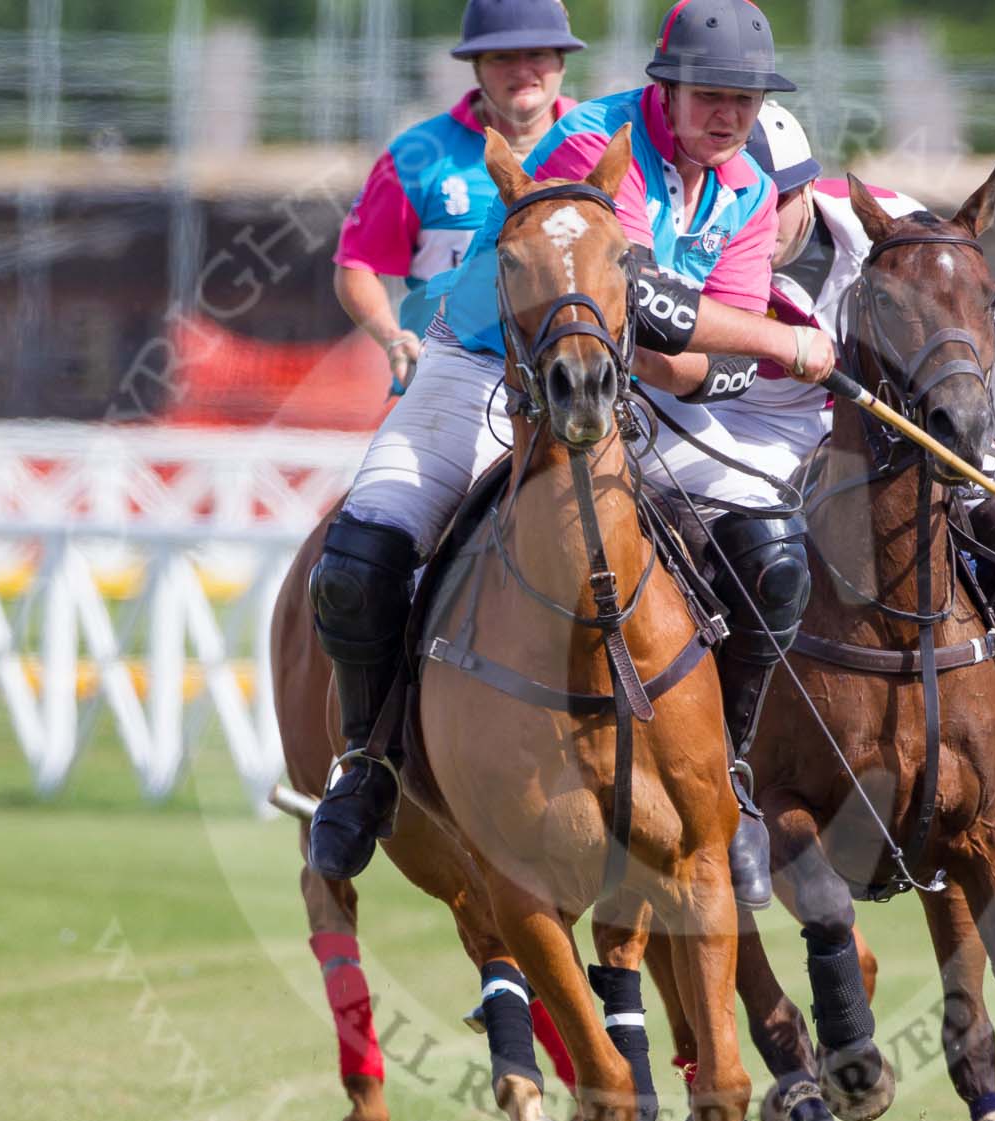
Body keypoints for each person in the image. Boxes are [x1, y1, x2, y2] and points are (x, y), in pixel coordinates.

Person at [305, 0, 837, 913]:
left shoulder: (748, 186)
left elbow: (703, 352)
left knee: (776, 555)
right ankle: (367, 761)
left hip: (621, 382)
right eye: (709, 95)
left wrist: (734, 349)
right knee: (363, 557)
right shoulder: (596, 140)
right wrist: (789, 346)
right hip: (484, 360)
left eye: (746, 101)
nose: (729, 117)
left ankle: (733, 774)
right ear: (661, 89)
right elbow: (634, 291)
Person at [715, 103, 995, 850]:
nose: (757, 221)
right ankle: (732, 770)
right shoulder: (706, 253)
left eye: (773, 203)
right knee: (743, 563)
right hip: (762, 439)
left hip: (911, 436)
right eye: (742, 201)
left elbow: (956, 285)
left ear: (812, 191)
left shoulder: (887, 221)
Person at [332, 0, 585, 393]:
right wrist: (393, 337)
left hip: (577, 387)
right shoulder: (416, 156)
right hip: (447, 382)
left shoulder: (600, 146)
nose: (522, 70)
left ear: (561, 61)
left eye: (536, 53)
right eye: (502, 57)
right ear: (476, 67)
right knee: (388, 460)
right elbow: (357, 265)